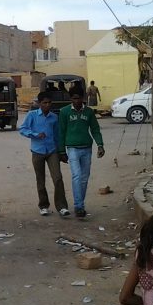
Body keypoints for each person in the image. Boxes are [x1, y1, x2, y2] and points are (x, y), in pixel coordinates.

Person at [18, 92, 70, 217]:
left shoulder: (54, 117)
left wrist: (61, 152)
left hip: (52, 151)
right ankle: (43, 205)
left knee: (57, 178)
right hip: (37, 151)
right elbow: (23, 129)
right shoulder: (32, 115)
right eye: (44, 103)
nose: (47, 105)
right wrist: (36, 134)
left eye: (49, 103)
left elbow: (58, 136)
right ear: (39, 103)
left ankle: (62, 206)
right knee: (40, 180)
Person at [57, 89, 104, 218]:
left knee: (84, 178)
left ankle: (80, 203)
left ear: (83, 98)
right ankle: (79, 206)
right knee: (76, 176)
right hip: (72, 149)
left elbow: (95, 129)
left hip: (87, 148)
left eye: (78, 98)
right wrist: (61, 151)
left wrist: (100, 145)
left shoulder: (88, 112)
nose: (76, 101)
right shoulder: (64, 112)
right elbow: (61, 131)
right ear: (70, 99)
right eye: (74, 99)